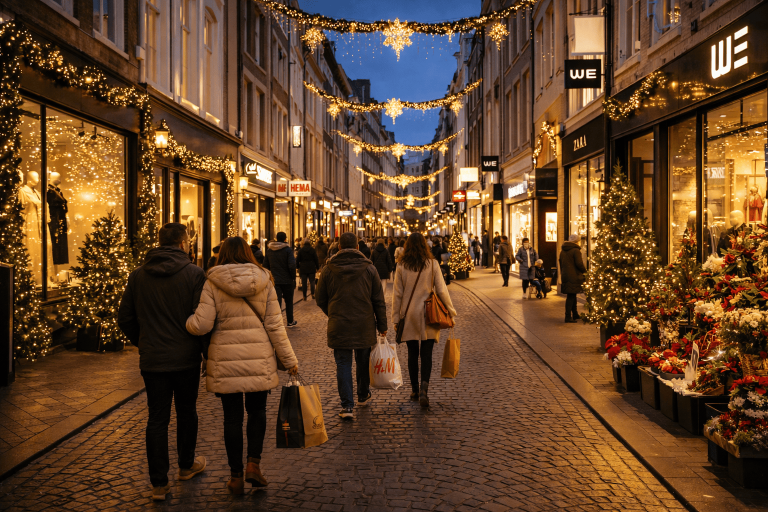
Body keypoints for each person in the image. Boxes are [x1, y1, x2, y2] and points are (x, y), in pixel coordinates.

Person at [185, 237, 299, 495]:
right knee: (257, 412)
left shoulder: (212, 281)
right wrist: (290, 360)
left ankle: (235, 476)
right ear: (249, 252)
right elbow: (274, 325)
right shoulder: (264, 280)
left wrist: (186, 322)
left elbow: (201, 324)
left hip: (226, 361)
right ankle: (253, 466)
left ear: (222, 254)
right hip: (258, 358)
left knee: (232, 418)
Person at [117, 223, 208, 501]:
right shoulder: (194, 274)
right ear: (183, 244)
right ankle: (186, 465)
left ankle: (159, 483)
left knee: (156, 419)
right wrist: (205, 353)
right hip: (186, 358)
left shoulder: (137, 276)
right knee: (186, 411)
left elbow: (125, 319)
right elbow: (201, 320)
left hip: (153, 358)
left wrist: (143, 342)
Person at [315, 233, 387, 420]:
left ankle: (347, 406)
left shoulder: (329, 269)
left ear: (339, 247)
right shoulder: (369, 269)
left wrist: (332, 313)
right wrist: (382, 325)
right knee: (363, 361)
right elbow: (378, 300)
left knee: (343, 364)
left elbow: (320, 298)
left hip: (339, 324)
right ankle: (362, 395)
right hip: (364, 323)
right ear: (357, 247)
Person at [392, 233, 457, 408]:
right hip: (430, 314)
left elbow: (397, 295)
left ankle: (414, 389)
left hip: (409, 314)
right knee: (426, 354)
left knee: (412, 353)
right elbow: (442, 290)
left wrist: (396, 318)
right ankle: (424, 391)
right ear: (425, 246)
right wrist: (451, 311)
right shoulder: (432, 264)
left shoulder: (401, 266)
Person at [263, 232, 297, 327]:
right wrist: (293, 277)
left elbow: (265, 265)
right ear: (285, 239)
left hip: (274, 280)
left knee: (276, 302)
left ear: (276, 238)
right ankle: (290, 321)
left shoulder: (270, 250)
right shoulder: (287, 250)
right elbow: (292, 265)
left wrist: (269, 277)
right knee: (289, 301)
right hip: (287, 280)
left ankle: (277, 322)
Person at [560, 234, 586, 323]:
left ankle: (575, 314)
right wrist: (585, 271)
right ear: (577, 241)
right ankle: (568, 316)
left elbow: (560, 263)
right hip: (573, 275)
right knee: (571, 296)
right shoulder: (575, 250)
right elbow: (579, 263)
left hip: (565, 275)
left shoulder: (563, 250)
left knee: (572, 295)